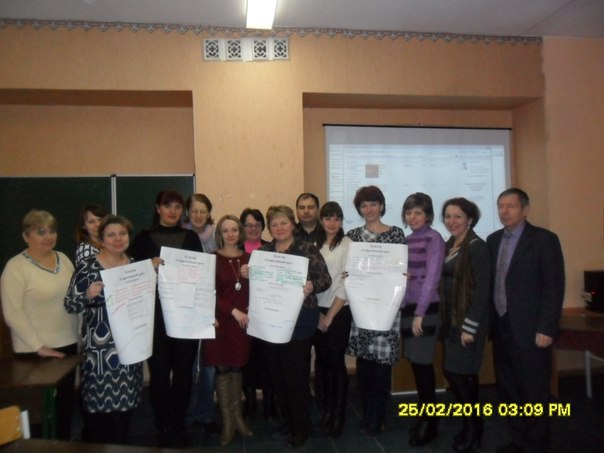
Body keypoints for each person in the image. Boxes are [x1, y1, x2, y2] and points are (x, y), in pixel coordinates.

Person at [487, 188, 565, 453]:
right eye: (500, 206)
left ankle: (537, 444)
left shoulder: (544, 240)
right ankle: (518, 440)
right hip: (501, 327)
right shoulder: (493, 240)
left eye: (510, 206)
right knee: (509, 389)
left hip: (532, 330)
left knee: (534, 390)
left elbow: (554, 287)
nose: (504, 211)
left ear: (525, 210)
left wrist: (547, 328)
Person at [128, 189, 204, 447]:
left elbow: (200, 276)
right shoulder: (142, 239)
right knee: (159, 377)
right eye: (167, 205)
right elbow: (129, 276)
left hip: (185, 317)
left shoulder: (191, 237)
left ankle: (178, 426)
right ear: (157, 208)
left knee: (183, 376)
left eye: (177, 206)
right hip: (154, 320)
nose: (173, 211)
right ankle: (163, 427)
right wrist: (146, 266)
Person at [64, 215, 144, 445]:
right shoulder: (88, 267)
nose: (118, 239)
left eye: (122, 234)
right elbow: (70, 304)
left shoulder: (135, 266)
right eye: (111, 235)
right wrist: (87, 295)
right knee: (98, 416)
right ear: (101, 239)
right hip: (99, 354)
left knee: (125, 411)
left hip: (129, 349)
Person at [0, 209, 78, 439]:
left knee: (64, 412)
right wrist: (39, 346)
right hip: (35, 354)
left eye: (52, 231)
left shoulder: (64, 259)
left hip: (68, 348)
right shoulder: (16, 267)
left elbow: (75, 298)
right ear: (26, 236)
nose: (48, 236)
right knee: (39, 418)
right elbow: (12, 313)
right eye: (40, 232)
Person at [260, 205, 332, 448]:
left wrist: (312, 285)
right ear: (269, 228)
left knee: (296, 378)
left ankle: (301, 427)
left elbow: (325, 279)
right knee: (278, 377)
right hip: (271, 322)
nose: (279, 228)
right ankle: (287, 423)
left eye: (283, 223)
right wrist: (248, 272)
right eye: (274, 224)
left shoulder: (307, 249)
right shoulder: (264, 252)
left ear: (292, 224)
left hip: (300, 322)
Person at [346, 186, 406, 436]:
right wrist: (347, 275)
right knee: (364, 367)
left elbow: (401, 269)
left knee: (381, 368)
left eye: (373, 204)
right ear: (359, 209)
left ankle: (378, 416)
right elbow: (348, 268)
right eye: (364, 205)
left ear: (381, 205)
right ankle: (367, 413)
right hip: (362, 309)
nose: (369, 209)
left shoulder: (396, 234)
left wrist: (403, 276)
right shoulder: (352, 236)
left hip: (387, 310)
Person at [441, 198, 491, 452]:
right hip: (452, 321)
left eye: (458, 216)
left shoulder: (477, 247)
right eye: (448, 216)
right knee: (459, 375)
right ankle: (472, 425)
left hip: (468, 324)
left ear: (470, 219)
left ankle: (474, 428)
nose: (452, 221)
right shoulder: (449, 244)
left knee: (460, 375)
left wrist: (469, 328)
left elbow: (482, 291)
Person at [203, 215, 253, 446]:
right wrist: (233, 311)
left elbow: (262, 289)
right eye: (225, 230)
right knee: (222, 369)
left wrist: (254, 276)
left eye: (234, 229)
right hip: (220, 323)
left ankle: (238, 418)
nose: (231, 234)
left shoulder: (250, 259)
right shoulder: (212, 259)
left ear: (240, 232)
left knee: (237, 367)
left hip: (243, 324)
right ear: (220, 234)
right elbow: (209, 292)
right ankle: (227, 423)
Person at [400, 192, 445, 446]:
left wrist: (420, 313)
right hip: (409, 309)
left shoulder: (433, 238)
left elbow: (432, 278)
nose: (412, 217)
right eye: (409, 212)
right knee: (417, 364)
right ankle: (424, 416)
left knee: (423, 364)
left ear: (428, 215)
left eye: (418, 212)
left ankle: (431, 422)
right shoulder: (406, 241)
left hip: (425, 310)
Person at [313, 201, 352, 438]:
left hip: (338, 311)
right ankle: (326, 412)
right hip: (315, 310)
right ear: (321, 220)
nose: (332, 223)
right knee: (323, 363)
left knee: (337, 365)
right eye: (328, 218)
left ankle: (338, 416)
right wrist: (317, 313)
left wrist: (329, 316)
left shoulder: (348, 245)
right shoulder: (313, 244)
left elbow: (347, 283)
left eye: (337, 218)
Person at [182, 193, 219, 433]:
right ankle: (185, 414)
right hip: (184, 309)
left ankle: (206, 414)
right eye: (194, 210)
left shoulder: (216, 239)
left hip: (211, 309)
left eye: (202, 211)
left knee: (208, 365)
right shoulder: (179, 236)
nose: (198, 215)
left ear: (208, 213)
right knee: (186, 365)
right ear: (188, 212)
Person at [239, 207, 275, 419]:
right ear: (242, 227)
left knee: (268, 360)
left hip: (267, 315)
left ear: (263, 227)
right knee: (247, 360)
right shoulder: (235, 250)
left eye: (257, 225)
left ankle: (270, 403)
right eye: (249, 225)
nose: (253, 229)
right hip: (243, 316)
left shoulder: (272, 249)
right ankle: (250, 402)